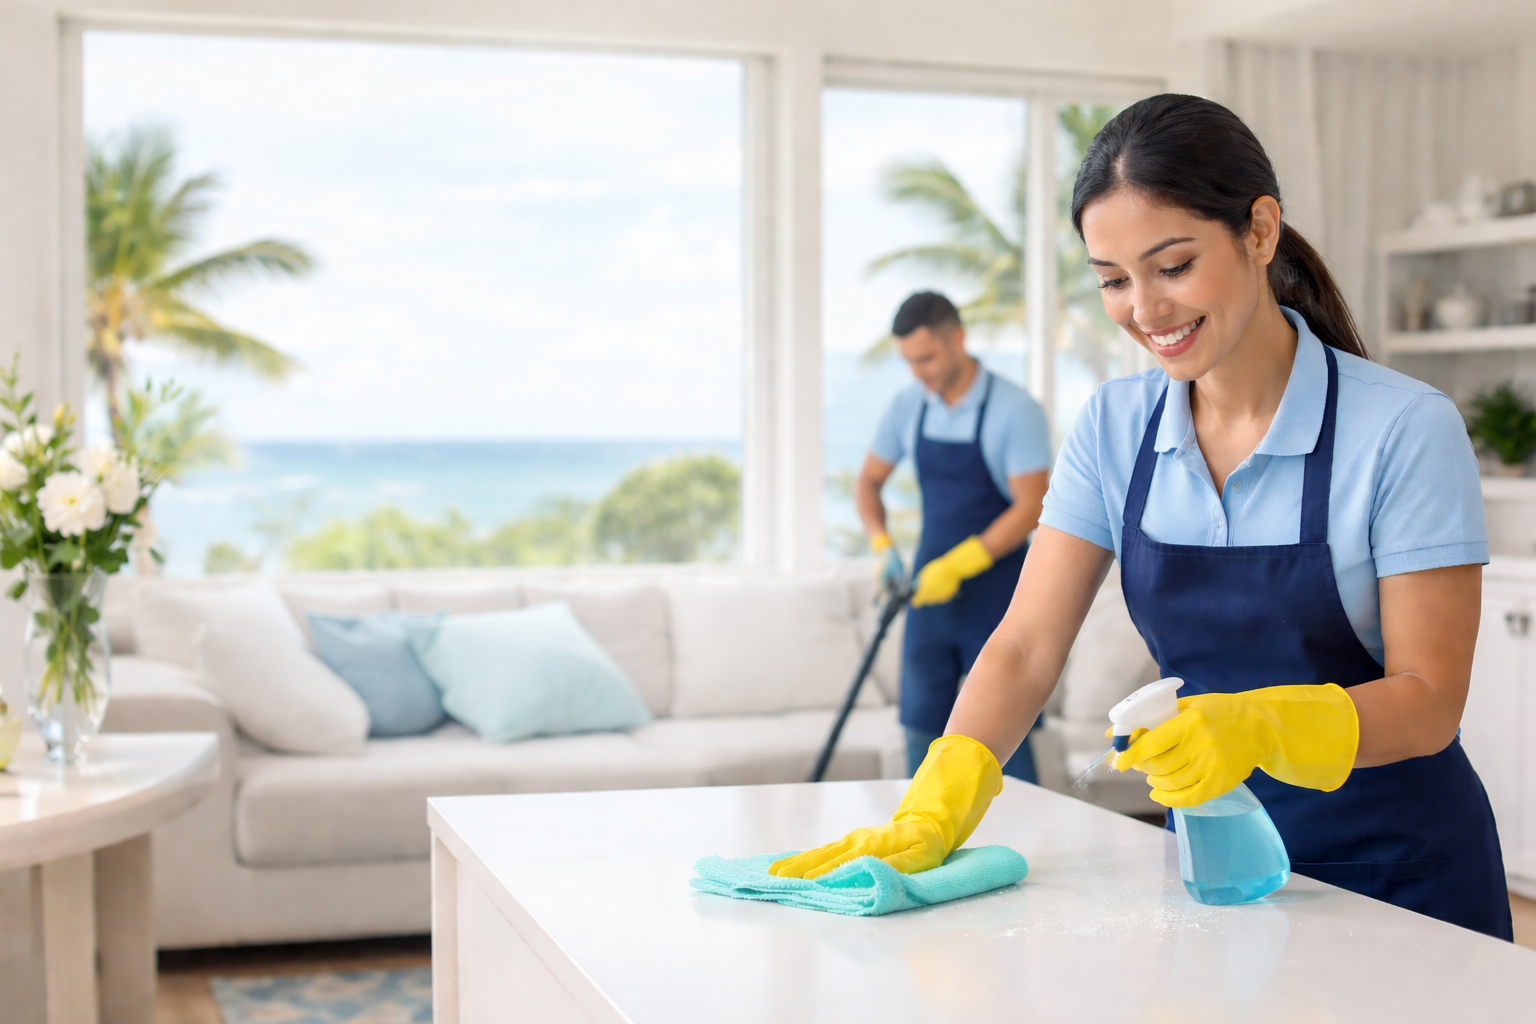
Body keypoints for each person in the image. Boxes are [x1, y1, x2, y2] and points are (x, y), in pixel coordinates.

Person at [775, 95, 1513, 941]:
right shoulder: (1114, 428)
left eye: (1173, 266)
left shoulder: (1402, 428)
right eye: (1114, 281)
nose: (1145, 310)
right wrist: (938, 803)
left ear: (1260, 231)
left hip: (1402, 878)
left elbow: (1429, 701)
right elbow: (1024, 646)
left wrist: (1258, 723)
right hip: (1217, 873)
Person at [855, 292, 1050, 781]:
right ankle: (921, 845)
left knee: (1005, 740)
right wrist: (882, 546)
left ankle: (1030, 847)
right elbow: (868, 483)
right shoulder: (909, 407)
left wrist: (963, 563)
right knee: (921, 729)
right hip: (929, 593)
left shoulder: (1013, 409)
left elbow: (1032, 505)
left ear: (957, 339)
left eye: (926, 358)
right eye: (908, 361)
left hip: (1000, 595)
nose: (918, 372)